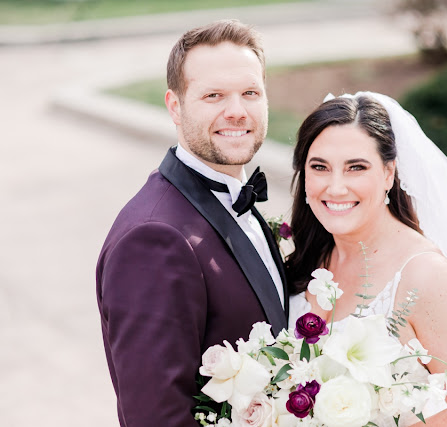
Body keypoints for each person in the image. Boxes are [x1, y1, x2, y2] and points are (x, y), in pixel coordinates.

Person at [286, 92, 447, 426]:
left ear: (388, 173)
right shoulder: (306, 255)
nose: (336, 188)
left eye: (356, 168)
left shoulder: (425, 277)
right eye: (320, 167)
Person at [96, 20, 288, 426]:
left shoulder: (237, 198)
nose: (236, 111)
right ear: (175, 107)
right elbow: (157, 418)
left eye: (250, 93)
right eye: (213, 95)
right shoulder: (153, 239)